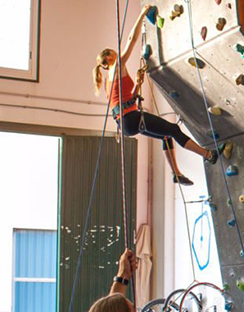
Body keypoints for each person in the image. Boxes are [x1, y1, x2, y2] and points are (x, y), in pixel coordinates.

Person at [92, 4, 218, 186]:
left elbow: (127, 99)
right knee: (173, 130)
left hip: (127, 123)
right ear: (110, 58)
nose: (118, 54)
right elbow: (131, 39)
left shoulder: (108, 83)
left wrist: (137, 83)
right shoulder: (116, 66)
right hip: (131, 119)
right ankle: (208, 155)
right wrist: (143, 12)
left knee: (166, 135)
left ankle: (176, 174)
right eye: (115, 53)